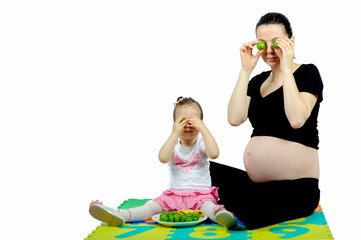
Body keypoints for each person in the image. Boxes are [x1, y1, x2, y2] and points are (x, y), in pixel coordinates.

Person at [211, 12, 324, 229]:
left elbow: (297, 119)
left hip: (297, 189)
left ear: (291, 41)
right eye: (263, 44)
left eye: (277, 43)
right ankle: (217, 203)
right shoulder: (257, 81)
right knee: (198, 168)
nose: (269, 51)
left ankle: (219, 205)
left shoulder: (308, 73)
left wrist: (286, 68)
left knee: (249, 212)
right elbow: (235, 118)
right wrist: (245, 70)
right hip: (257, 186)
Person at [89, 97, 237, 228]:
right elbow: (163, 157)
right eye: (183, 121)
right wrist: (174, 133)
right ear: (174, 124)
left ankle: (220, 216)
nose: (188, 125)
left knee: (209, 207)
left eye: (194, 121)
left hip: (201, 195)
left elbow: (214, 153)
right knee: (149, 207)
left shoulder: (201, 143)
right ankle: (120, 214)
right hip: (173, 196)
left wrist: (204, 129)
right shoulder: (173, 144)